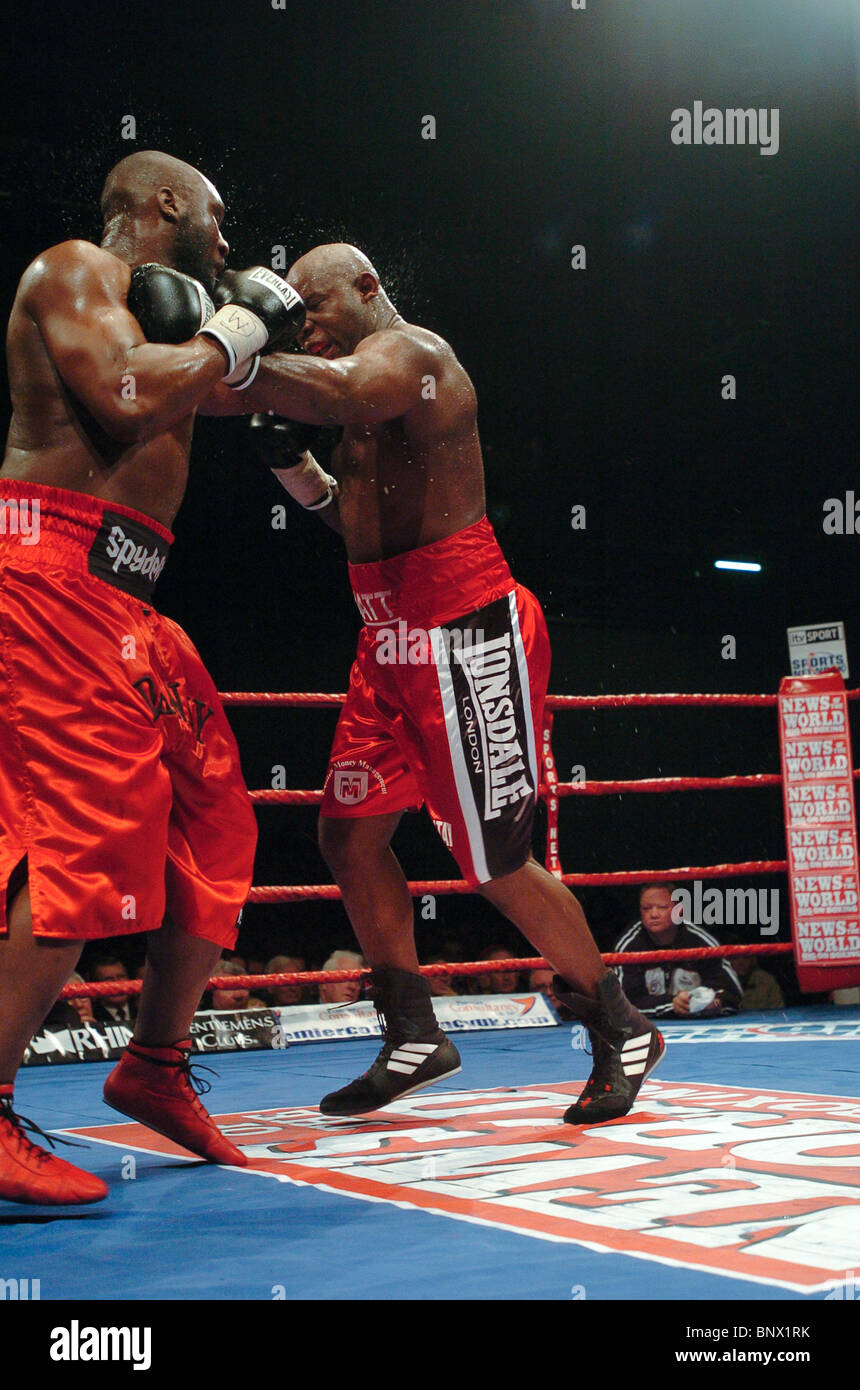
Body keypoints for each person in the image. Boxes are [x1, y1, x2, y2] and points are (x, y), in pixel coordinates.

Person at [203, 242, 664, 1123]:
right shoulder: (359, 399)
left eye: (314, 303)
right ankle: (415, 1031)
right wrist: (295, 469)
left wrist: (239, 340)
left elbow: (329, 390)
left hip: (466, 632)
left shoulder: (414, 358)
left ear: (369, 288)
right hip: (388, 641)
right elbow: (360, 521)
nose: (305, 321)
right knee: (346, 837)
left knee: (494, 861)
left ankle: (620, 1024)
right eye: (291, 309)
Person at [0, 149, 304, 1204]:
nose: (226, 238)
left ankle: (155, 1063)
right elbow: (127, 400)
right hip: (49, 575)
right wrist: (238, 323)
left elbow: (247, 387)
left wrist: (361, 372)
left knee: (218, 816)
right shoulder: (74, 269)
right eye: (216, 215)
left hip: (131, 605)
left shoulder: (174, 326)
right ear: (164, 203)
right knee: (82, 844)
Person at [613, 884, 743, 1018]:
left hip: (700, 1026)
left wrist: (715, 1003)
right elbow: (624, 1003)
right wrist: (671, 1005)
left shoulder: (700, 942)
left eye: (662, 907)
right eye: (647, 908)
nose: (654, 914)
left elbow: (732, 992)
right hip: (649, 1027)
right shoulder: (629, 946)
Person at [89, 955, 136, 1025]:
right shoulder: (93, 1018)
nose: (117, 984)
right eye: (109, 979)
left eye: (121, 977)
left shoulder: (143, 1011)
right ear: (97, 985)